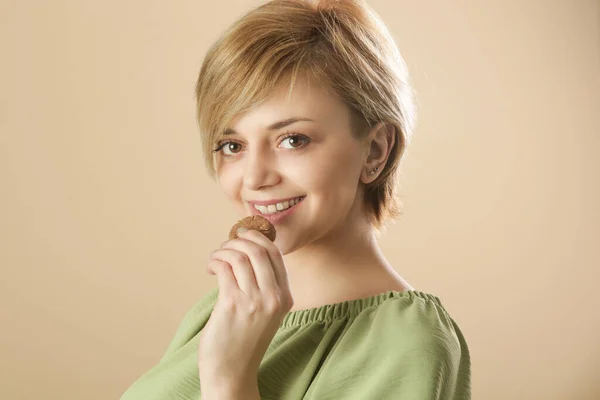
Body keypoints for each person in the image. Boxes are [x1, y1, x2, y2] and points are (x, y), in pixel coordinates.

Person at [120, 0, 471, 399]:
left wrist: (228, 378)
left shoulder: (406, 342)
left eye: (293, 140)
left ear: (375, 151)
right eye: (232, 145)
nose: (254, 177)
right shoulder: (228, 307)